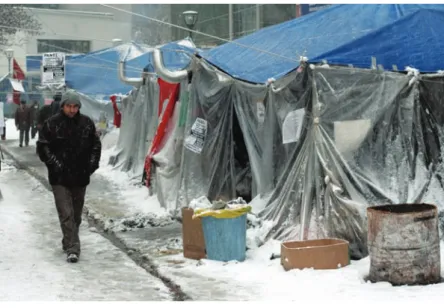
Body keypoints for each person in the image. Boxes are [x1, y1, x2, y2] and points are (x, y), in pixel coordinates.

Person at [37, 91, 101, 263]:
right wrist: (54, 164)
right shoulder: (51, 124)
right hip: (59, 178)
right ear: (63, 106)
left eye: (75, 106)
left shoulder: (86, 124)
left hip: (80, 176)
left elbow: (96, 146)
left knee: (76, 215)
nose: (72, 110)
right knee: (66, 213)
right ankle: (73, 249)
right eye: (69, 106)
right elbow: (43, 147)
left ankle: (68, 241)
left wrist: (91, 166)